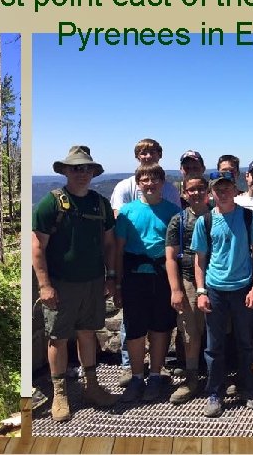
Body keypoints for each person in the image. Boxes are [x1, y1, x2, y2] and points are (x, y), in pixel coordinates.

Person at [31, 145, 119, 422]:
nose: (82, 173)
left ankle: (91, 387)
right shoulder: (52, 202)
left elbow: (108, 244)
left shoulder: (99, 203)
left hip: (93, 281)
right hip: (61, 284)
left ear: (94, 171)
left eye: (86, 168)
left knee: (87, 333)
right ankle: (60, 394)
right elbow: (37, 247)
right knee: (57, 337)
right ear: (66, 171)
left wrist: (111, 277)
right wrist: (44, 285)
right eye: (76, 168)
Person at [190, 171, 253, 417]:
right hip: (215, 289)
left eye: (227, 188)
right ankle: (214, 393)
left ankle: (249, 389)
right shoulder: (205, 221)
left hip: (243, 287)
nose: (222, 193)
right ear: (211, 192)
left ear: (235, 190)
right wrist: (201, 291)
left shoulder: (247, 217)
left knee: (246, 343)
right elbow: (199, 261)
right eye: (218, 189)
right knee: (214, 346)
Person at [110, 138, 180, 385]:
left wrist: (176, 287)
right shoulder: (127, 212)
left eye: (155, 179)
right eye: (145, 180)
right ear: (138, 183)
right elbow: (118, 250)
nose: (150, 184)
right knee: (136, 327)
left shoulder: (173, 211)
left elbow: (175, 249)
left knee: (161, 327)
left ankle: (156, 374)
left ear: (162, 182)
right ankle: (137, 376)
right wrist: (116, 284)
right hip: (134, 275)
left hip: (161, 275)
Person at [165, 174, 210, 405]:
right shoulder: (178, 220)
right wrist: (176, 289)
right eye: (191, 189)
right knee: (190, 332)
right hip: (187, 280)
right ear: (184, 193)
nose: (196, 193)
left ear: (207, 191)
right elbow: (170, 257)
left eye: (200, 188)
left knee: (219, 330)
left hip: (217, 280)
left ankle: (217, 376)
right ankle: (192, 378)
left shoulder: (218, 215)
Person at [111, 138, 181, 216]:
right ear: (138, 157)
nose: (148, 156)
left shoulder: (170, 190)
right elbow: (118, 216)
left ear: (159, 155)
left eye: (152, 152)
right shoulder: (124, 186)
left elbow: (177, 218)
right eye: (143, 153)